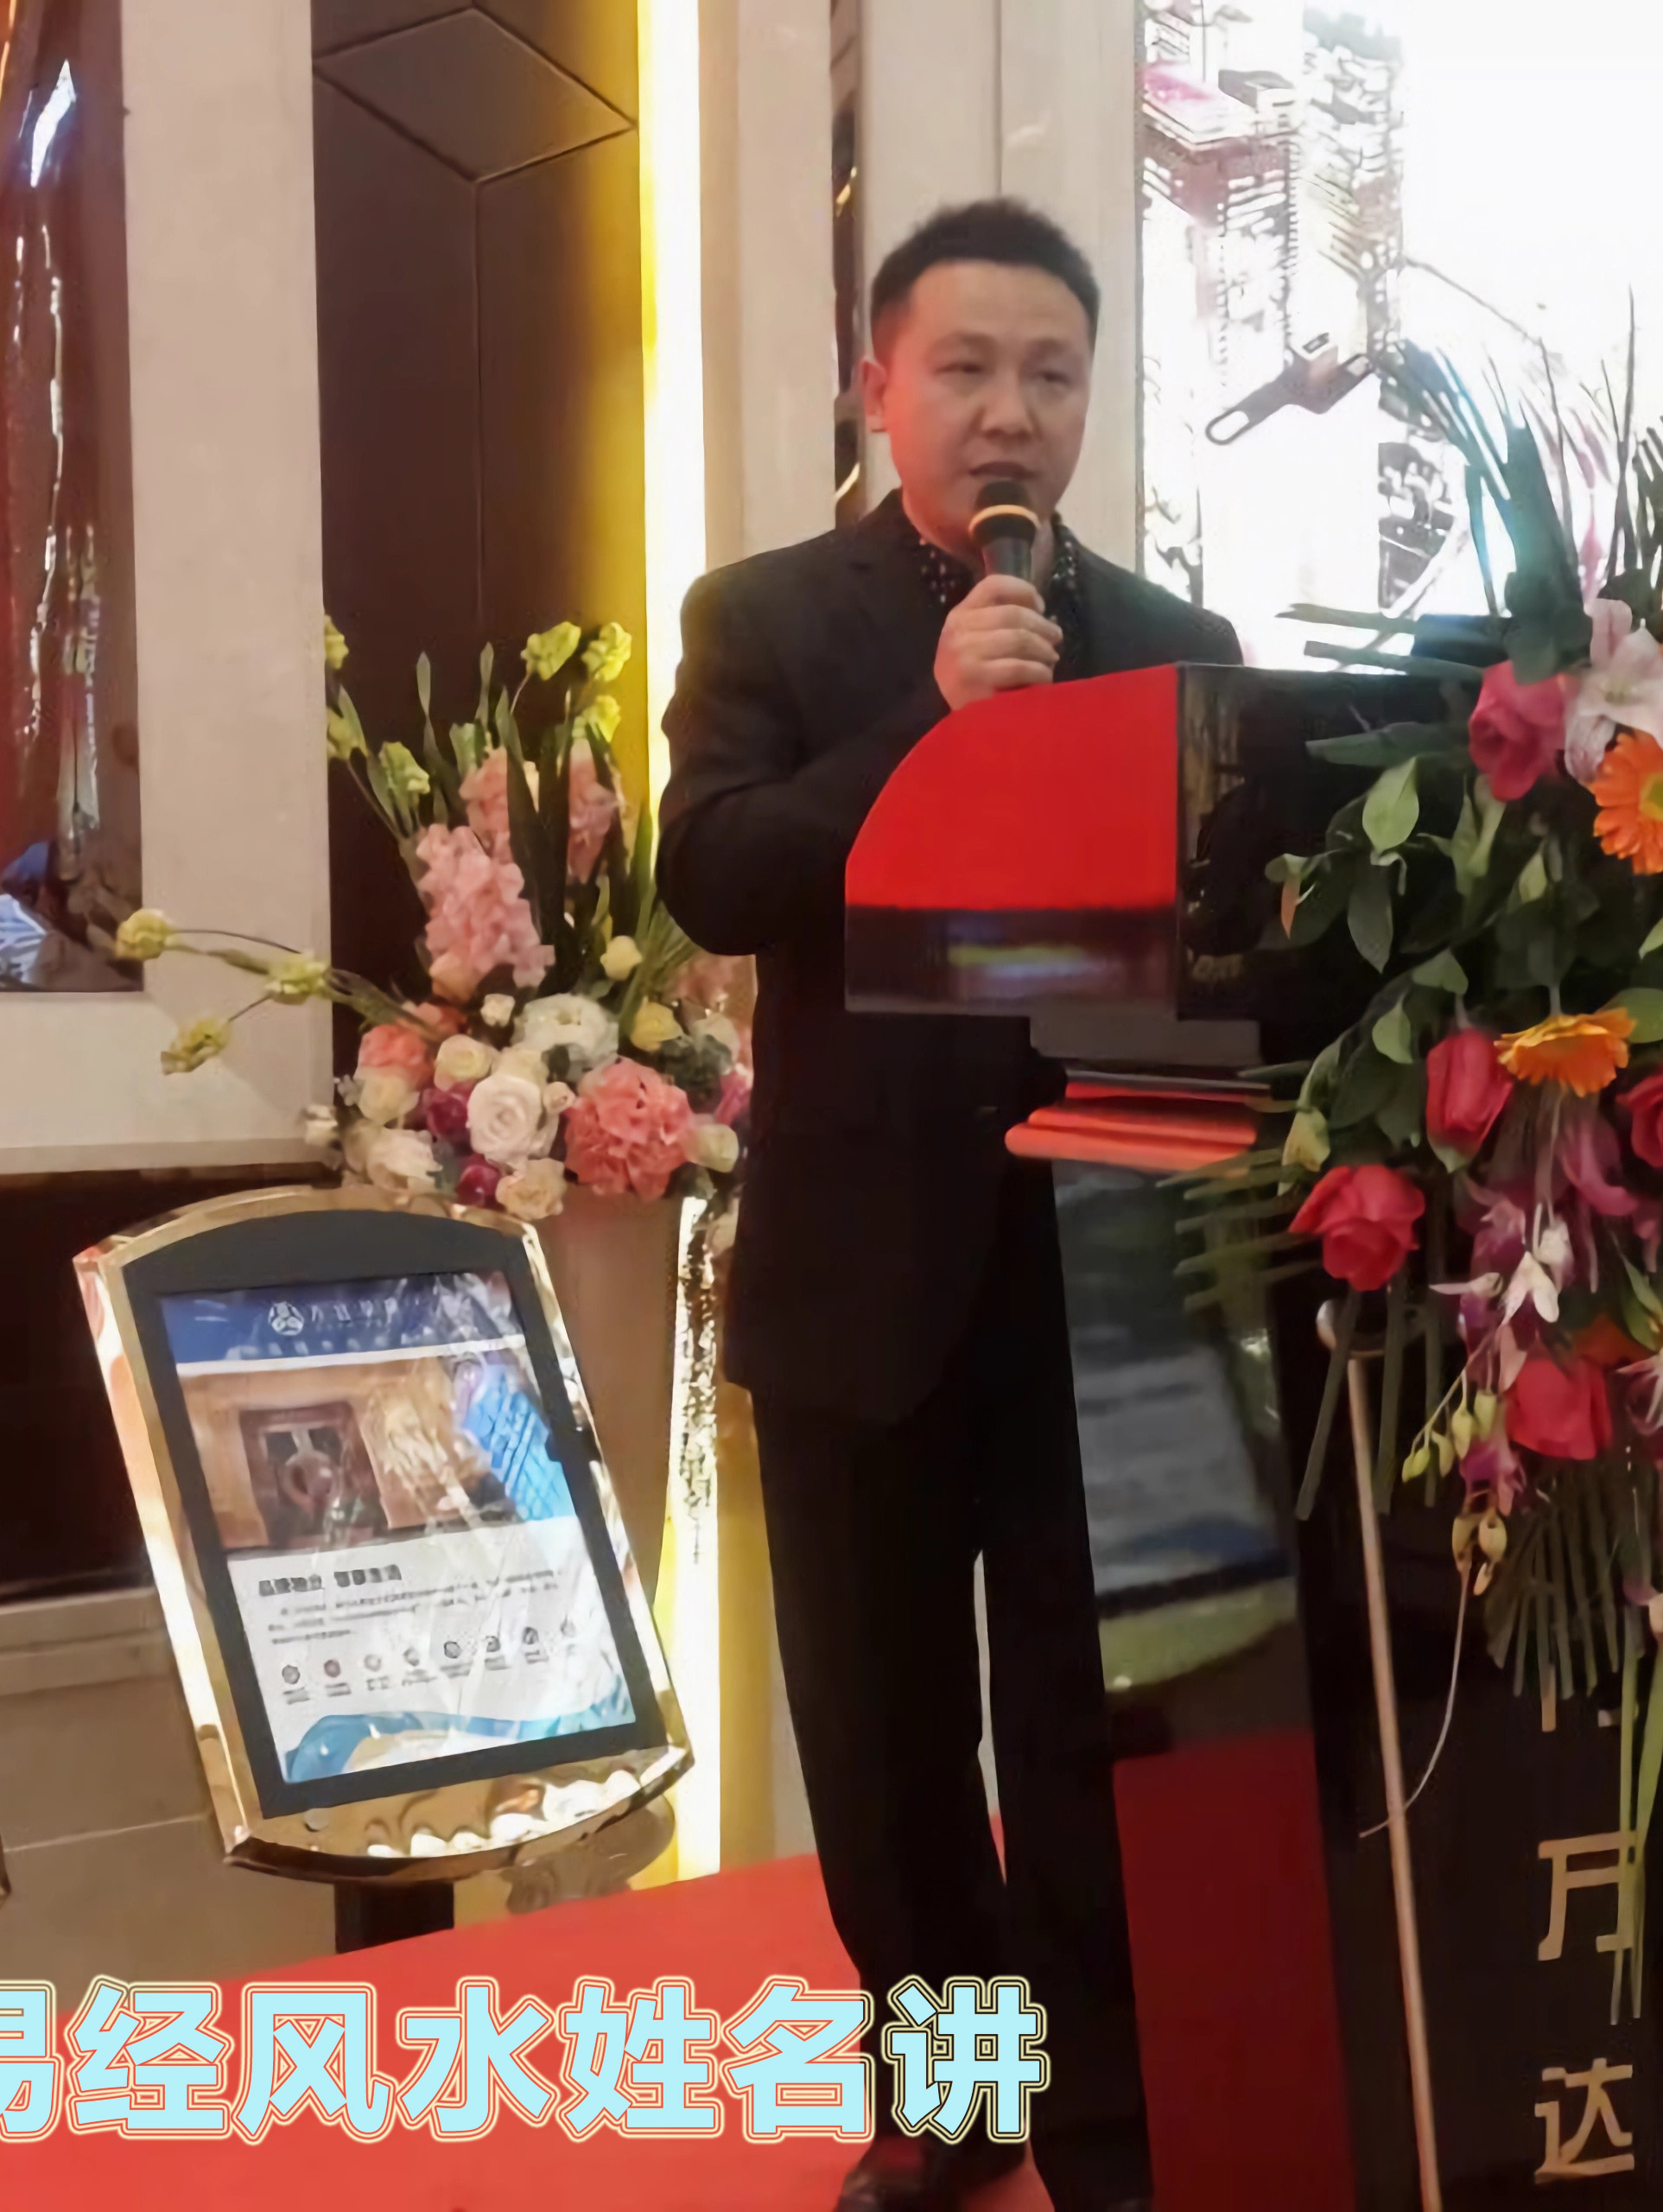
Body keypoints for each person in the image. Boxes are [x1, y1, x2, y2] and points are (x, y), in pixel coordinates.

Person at [657, 200, 1241, 2212]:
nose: (1010, 412)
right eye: (966, 369)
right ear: (877, 385)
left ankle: (1111, 2125)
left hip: (1107, 1274)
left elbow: (1225, 936)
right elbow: (717, 873)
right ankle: (957, 2095)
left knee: (1096, 1733)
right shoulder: (766, 619)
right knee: (886, 1737)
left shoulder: (1172, 646)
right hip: (859, 1277)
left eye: (1050, 375)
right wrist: (933, 719)